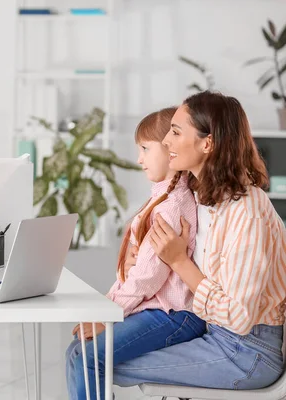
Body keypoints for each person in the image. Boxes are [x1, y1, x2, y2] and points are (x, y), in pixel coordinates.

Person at [113, 91, 286, 391]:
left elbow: (238, 317)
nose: (166, 141)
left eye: (176, 132)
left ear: (207, 144)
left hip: (247, 352)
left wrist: (178, 261)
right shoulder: (201, 199)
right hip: (213, 333)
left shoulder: (248, 212)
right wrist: (143, 255)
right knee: (97, 358)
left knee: (102, 363)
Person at [66, 107, 207, 399]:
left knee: (86, 357)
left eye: (145, 148)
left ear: (170, 149)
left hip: (174, 315)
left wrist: (105, 313)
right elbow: (138, 269)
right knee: (77, 353)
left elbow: (146, 278)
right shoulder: (160, 198)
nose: (139, 159)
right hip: (159, 311)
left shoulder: (170, 207)